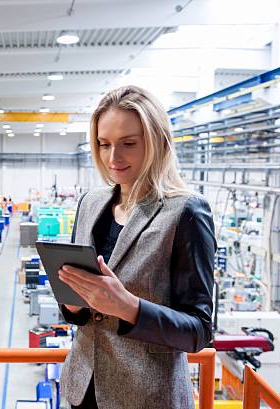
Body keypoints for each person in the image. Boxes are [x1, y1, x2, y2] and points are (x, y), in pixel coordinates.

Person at [58, 86, 216, 409]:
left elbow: (198, 331)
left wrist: (129, 307)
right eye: (104, 144)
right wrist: (73, 304)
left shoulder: (186, 212)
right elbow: (89, 311)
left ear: (157, 141)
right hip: (82, 389)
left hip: (146, 397)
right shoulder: (90, 204)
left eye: (128, 144)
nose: (113, 158)